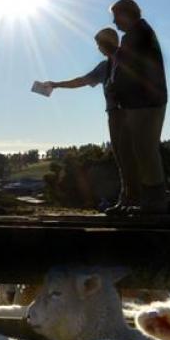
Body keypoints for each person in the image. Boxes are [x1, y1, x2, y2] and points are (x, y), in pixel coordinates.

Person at [46, 28, 133, 215]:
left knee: (129, 156)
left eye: (99, 44)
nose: (98, 48)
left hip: (128, 113)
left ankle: (134, 198)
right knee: (120, 157)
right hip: (113, 114)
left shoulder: (126, 61)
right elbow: (82, 81)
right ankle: (126, 198)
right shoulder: (104, 67)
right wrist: (57, 85)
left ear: (106, 43)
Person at [110, 0, 169, 214]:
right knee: (138, 150)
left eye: (116, 17)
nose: (115, 23)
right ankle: (146, 200)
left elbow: (131, 69)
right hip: (139, 101)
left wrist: (118, 88)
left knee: (145, 150)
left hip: (146, 101)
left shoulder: (138, 34)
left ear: (126, 14)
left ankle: (155, 202)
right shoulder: (137, 34)